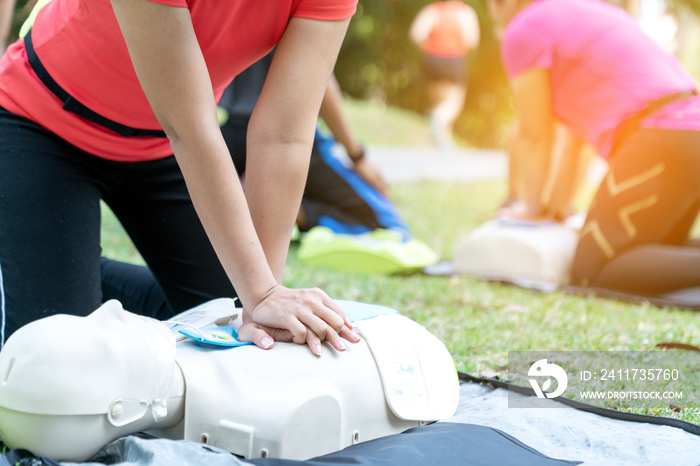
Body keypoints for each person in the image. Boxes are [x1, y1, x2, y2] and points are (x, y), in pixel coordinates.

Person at [0, 0, 362, 355]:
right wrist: (261, 292)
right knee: (52, 356)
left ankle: (54, 266)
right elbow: (188, 126)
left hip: (160, 148)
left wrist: (261, 300)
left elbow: (283, 135)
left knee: (229, 315)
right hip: (40, 123)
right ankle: (22, 266)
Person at [487, 0, 700, 298]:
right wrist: (556, 209)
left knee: (595, 268)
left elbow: (534, 133)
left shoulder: (522, 29)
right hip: (689, 128)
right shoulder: (583, 12)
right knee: (658, 245)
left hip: (660, 134)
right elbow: (576, 145)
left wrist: (532, 208)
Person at [409, 1, 480, 152]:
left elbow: (416, 34)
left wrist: (427, 47)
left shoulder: (432, 10)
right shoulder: (465, 12)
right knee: (453, 104)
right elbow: (472, 39)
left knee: (439, 102)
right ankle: (437, 119)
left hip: (433, 59)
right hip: (454, 59)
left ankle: (444, 142)